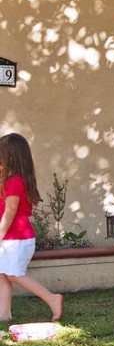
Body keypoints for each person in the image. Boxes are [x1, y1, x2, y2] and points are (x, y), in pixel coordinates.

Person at [0, 133, 63, 322]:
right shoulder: (9, 180)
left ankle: (52, 298)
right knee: (2, 275)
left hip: (16, 239)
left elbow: (10, 211)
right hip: (9, 238)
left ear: (10, 157)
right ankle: (4, 314)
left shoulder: (15, 181)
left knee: (13, 274)